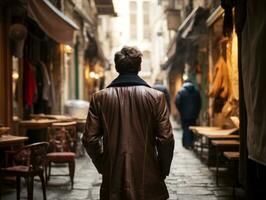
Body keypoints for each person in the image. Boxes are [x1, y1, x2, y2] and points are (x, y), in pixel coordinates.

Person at [82, 46, 174, 200]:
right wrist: (162, 169)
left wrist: (103, 165)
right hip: (148, 174)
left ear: (117, 67)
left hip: (113, 176)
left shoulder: (100, 98)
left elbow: (89, 139)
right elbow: (166, 139)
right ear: (139, 66)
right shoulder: (156, 97)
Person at [175, 79, 201, 149]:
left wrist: (181, 111)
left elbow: (177, 102)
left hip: (184, 115)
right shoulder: (196, 91)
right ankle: (192, 143)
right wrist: (197, 112)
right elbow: (199, 103)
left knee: (186, 129)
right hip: (194, 115)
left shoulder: (181, 91)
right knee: (192, 129)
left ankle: (186, 144)